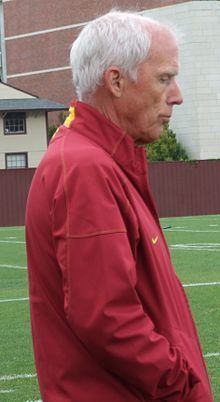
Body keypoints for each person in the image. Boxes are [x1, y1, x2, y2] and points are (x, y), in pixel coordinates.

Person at [25, 10, 213, 402]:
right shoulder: (85, 167)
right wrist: (183, 386)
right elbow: (108, 319)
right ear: (116, 81)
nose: (177, 95)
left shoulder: (98, 160)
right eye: (164, 78)